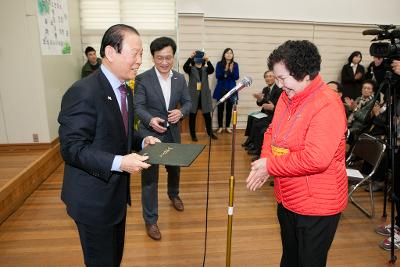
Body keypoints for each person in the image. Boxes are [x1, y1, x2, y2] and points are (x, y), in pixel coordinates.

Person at [58, 24, 159, 267]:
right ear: (111, 53)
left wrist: (143, 139)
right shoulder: (83, 91)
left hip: (115, 198)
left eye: (141, 53)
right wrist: (120, 162)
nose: (139, 60)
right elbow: (72, 148)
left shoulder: (125, 90)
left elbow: (120, 132)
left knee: (114, 259)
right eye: (134, 53)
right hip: (92, 200)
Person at [246, 40, 348, 267]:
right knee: (290, 258)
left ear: (305, 74)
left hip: (318, 204)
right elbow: (272, 132)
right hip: (288, 196)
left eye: (283, 78)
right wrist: (265, 161)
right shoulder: (288, 95)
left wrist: (270, 167)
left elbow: (316, 158)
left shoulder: (327, 104)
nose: (279, 84)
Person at [134, 37, 192, 241]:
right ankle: (151, 220)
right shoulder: (143, 79)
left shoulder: (180, 78)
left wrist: (181, 113)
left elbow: (187, 102)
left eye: (168, 58)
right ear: (153, 58)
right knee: (149, 179)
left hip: (173, 133)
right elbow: (138, 106)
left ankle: (173, 193)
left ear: (173, 57)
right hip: (150, 135)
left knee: (174, 169)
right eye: (160, 58)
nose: (165, 62)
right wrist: (150, 120)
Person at [243, 70, 282, 161]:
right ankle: (251, 141)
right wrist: (259, 99)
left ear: (275, 77)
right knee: (252, 116)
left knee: (258, 123)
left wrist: (272, 107)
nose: (268, 78)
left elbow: (279, 106)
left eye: (270, 76)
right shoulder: (265, 89)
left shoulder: (279, 90)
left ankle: (258, 149)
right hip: (265, 112)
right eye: (266, 76)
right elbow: (260, 104)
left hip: (273, 114)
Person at [183, 50, 218, 141]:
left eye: (200, 59)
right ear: (194, 60)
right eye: (197, 59)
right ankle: (193, 135)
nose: (198, 61)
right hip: (193, 96)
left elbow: (212, 69)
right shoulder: (190, 69)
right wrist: (190, 57)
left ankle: (210, 133)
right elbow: (185, 67)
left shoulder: (206, 69)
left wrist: (208, 60)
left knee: (207, 115)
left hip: (204, 95)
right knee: (192, 116)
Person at [213, 48, 239, 134]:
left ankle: (227, 126)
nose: (229, 54)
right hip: (221, 88)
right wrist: (225, 70)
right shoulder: (219, 64)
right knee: (220, 109)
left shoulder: (235, 64)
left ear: (232, 55)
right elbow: (218, 76)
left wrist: (231, 70)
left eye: (231, 53)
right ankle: (220, 127)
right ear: (224, 54)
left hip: (231, 89)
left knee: (229, 109)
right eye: (227, 53)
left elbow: (236, 77)